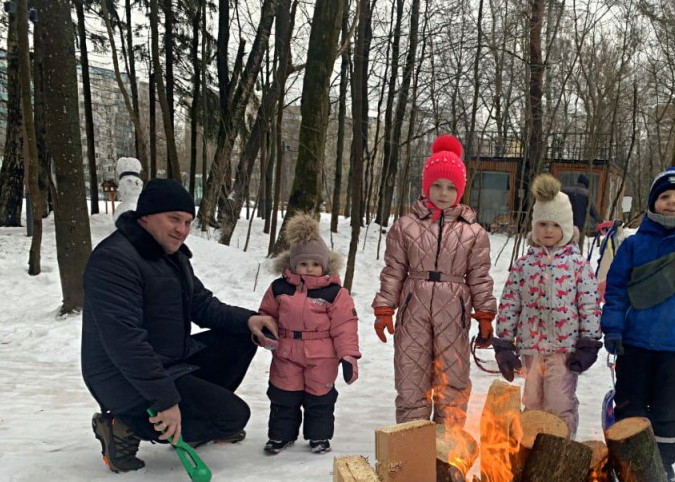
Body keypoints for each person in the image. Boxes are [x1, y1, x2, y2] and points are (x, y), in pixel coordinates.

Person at [82, 178, 278, 473]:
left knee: (240, 336)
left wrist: (248, 319)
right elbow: (126, 343)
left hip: (167, 361)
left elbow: (201, 304)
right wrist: (165, 400)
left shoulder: (171, 256)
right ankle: (122, 424)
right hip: (122, 378)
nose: (182, 230)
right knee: (233, 418)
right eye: (174, 219)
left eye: (187, 221)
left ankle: (196, 419)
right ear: (145, 216)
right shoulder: (114, 261)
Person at [600, 167, 675, 482]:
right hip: (634, 343)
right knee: (630, 402)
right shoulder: (633, 246)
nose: (671, 202)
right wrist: (612, 327)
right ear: (653, 203)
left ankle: (662, 463)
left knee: (669, 407)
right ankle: (625, 459)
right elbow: (616, 290)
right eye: (664, 196)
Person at [372, 135, 497, 427]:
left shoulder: (473, 232)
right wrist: (384, 309)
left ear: (461, 190)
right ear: (426, 186)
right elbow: (393, 270)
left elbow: (479, 276)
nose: (444, 193)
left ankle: (448, 450)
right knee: (411, 376)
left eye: (451, 187)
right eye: (437, 185)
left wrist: (485, 315)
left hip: (454, 311)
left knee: (452, 377)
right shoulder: (406, 226)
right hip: (413, 307)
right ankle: (410, 445)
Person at [492, 174, 601, 437]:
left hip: (564, 350)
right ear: (534, 226)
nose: (548, 230)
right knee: (532, 402)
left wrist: (589, 341)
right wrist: (505, 342)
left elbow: (589, 305)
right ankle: (531, 451)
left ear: (566, 227)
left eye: (555, 224)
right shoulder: (524, 265)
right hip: (531, 348)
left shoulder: (578, 266)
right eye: (542, 224)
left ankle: (561, 452)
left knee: (560, 402)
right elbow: (510, 303)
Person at [257, 214, 360, 455]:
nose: (309, 269)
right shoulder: (279, 288)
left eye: (315, 264)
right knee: (283, 396)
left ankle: (319, 436)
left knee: (320, 397)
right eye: (303, 264)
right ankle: (281, 436)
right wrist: (265, 334)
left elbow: (345, 326)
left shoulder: (335, 293)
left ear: (324, 265)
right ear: (292, 265)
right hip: (286, 352)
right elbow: (266, 315)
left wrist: (349, 356)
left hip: (322, 355)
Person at [563, 173, 602, 246]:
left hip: (565, 221)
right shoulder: (586, 194)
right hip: (579, 224)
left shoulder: (565, 191)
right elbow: (592, 210)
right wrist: (600, 220)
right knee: (574, 244)